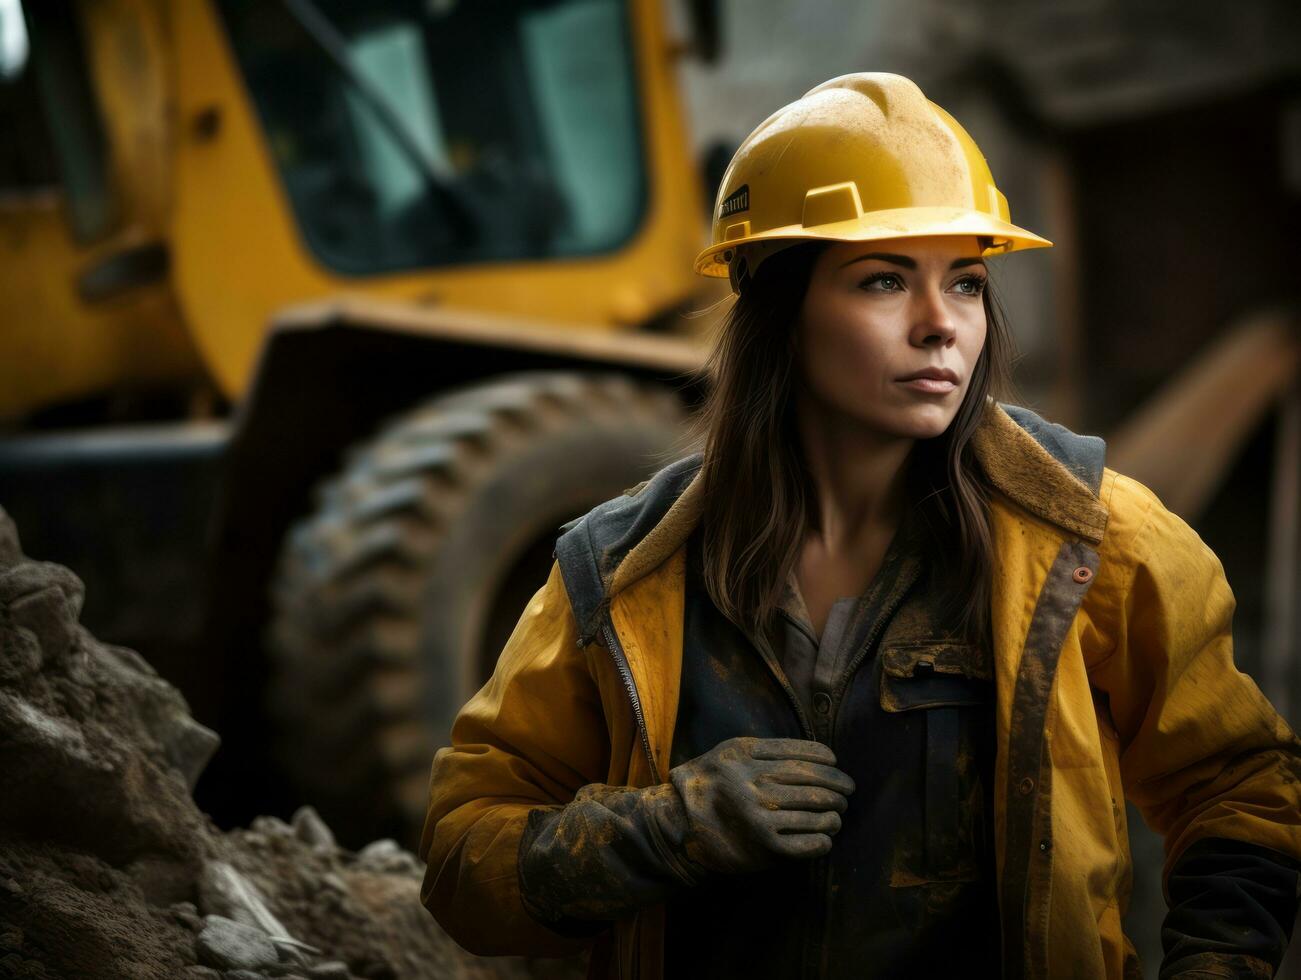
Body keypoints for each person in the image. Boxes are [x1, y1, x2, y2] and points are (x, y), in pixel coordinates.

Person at [418, 72, 1301, 979]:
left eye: (964, 282)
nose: (939, 327)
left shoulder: (1089, 538)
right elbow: (460, 859)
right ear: (779, 309)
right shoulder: (622, 571)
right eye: (883, 281)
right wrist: (663, 827)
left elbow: (1242, 788)